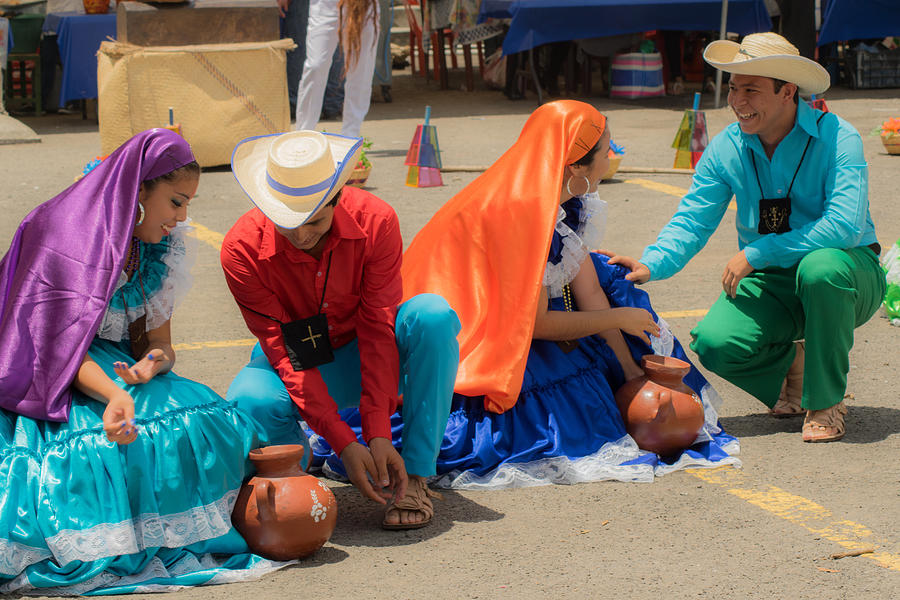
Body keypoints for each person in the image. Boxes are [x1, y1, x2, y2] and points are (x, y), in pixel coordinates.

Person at [306, 100, 740, 489]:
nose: (612, 156)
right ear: (574, 166)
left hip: (511, 321)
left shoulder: (560, 194)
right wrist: (618, 323)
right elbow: (535, 323)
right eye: (606, 149)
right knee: (545, 413)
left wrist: (629, 374)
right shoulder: (524, 212)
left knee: (615, 284)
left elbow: (588, 288)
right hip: (472, 342)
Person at [0, 129, 280, 595]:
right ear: (138, 191)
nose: (182, 217)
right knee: (95, 452)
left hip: (111, 369)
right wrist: (114, 394)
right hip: (38, 375)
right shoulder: (63, 233)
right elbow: (53, 348)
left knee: (208, 423)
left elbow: (158, 344)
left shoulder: (156, 247)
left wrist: (149, 366)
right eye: (175, 202)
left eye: (188, 203)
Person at [610, 33, 885, 443]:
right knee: (716, 342)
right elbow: (693, 218)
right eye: (734, 89)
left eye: (751, 90)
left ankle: (826, 400)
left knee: (820, 267)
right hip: (773, 277)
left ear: (787, 91)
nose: (737, 101)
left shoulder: (838, 137)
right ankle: (795, 366)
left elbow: (844, 226)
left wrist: (760, 250)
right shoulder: (725, 148)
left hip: (846, 272)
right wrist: (652, 262)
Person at [221, 130, 460, 529]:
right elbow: (283, 350)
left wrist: (378, 433)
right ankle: (297, 474)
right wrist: (343, 442)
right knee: (250, 398)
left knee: (432, 317)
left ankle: (417, 475)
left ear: (337, 198)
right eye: (286, 224)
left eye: (313, 220)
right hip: (295, 361)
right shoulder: (241, 249)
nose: (300, 236)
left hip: (366, 352)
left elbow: (378, 328)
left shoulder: (377, 220)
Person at [295, 0, 379, 137]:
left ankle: (351, 136)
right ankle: (303, 134)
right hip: (324, 7)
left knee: (360, 70)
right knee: (316, 65)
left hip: (364, 6)